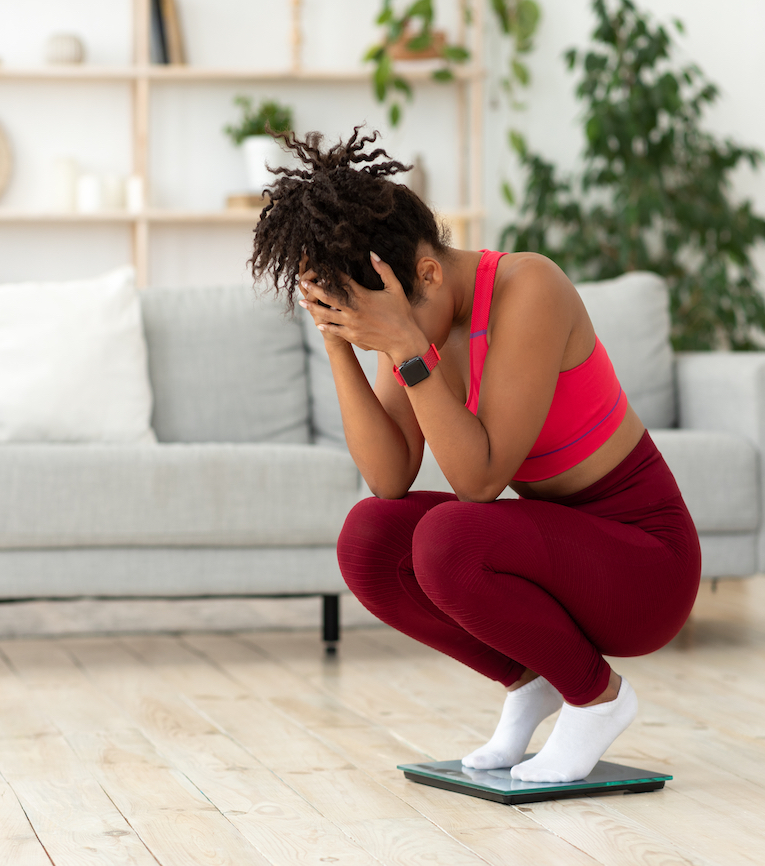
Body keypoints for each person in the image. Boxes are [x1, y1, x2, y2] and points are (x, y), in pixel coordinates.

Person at [251, 129, 701, 783]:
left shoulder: (530, 288)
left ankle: (598, 698)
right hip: (567, 558)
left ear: (428, 272)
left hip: (645, 569)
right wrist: (339, 338)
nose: (383, 338)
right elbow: (388, 474)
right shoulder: (413, 320)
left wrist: (406, 347)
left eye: (377, 320)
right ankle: (532, 680)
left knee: (448, 539)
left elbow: (481, 481)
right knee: (368, 538)